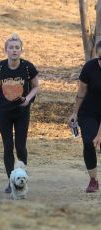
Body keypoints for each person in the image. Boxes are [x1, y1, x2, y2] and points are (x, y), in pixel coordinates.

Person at [0, 33, 39, 193]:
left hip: (22, 110)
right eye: (11, 48)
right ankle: (11, 181)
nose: (14, 50)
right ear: (6, 50)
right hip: (4, 111)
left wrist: (28, 99)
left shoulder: (28, 67)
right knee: (8, 146)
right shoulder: (0, 67)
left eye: (17, 48)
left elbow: (36, 86)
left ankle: (21, 177)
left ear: (21, 50)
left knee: (20, 146)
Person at [68, 40, 101, 193]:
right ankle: (93, 180)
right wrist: (75, 112)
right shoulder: (89, 67)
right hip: (88, 112)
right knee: (89, 143)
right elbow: (81, 92)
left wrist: (100, 134)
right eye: (100, 58)